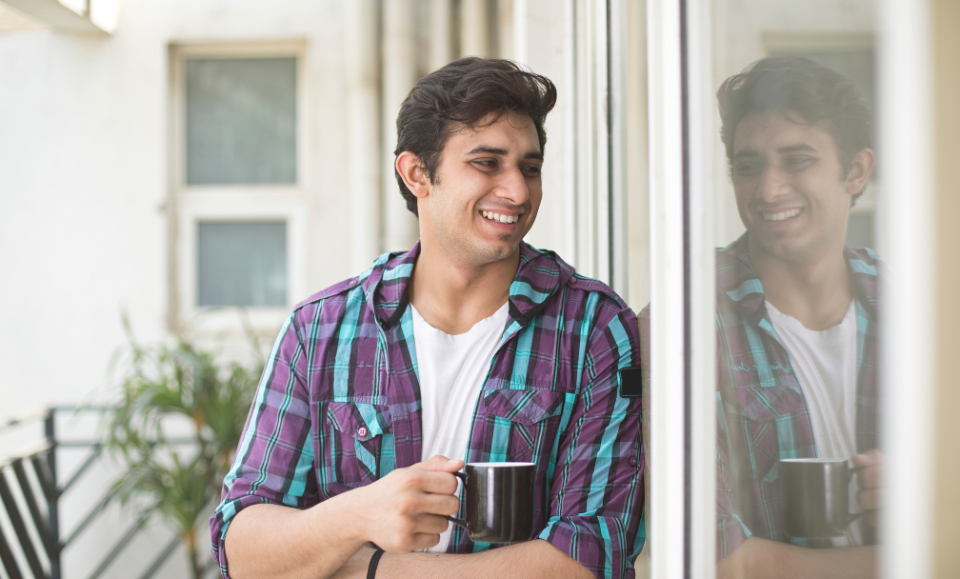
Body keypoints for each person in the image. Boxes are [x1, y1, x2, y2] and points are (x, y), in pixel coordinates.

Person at [210, 57, 645, 579]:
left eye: (529, 167)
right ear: (418, 174)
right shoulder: (320, 331)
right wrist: (356, 514)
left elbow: (591, 555)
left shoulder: (593, 329)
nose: (519, 191)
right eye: (488, 163)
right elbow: (242, 548)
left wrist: (370, 569)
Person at [712, 56, 883, 578]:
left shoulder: (926, 312)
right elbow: (716, 558)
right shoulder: (688, 324)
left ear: (855, 171)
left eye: (797, 159)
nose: (768, 190)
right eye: (749, 167)